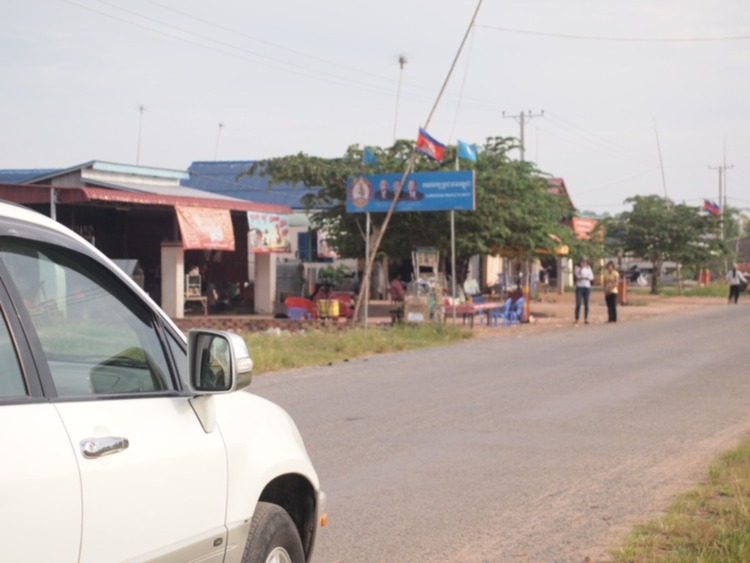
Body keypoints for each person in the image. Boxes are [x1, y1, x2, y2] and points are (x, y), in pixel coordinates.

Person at [574, 256, 594, 324]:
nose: (583, 263)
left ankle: (586, 318)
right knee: (578, 303)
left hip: (587, 287)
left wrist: (585, 277)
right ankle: (577, 318)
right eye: (582, 262)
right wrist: (581, 269)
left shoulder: (588, 268)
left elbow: (591, 277)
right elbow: (578, 275)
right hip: (580, 287)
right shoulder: (577, 268)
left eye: (585, 262)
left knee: (587, 304)